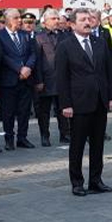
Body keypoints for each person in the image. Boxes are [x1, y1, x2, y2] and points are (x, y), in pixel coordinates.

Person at [56, 8, 112, 196]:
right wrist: (65, 104)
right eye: (82, 20)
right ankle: (77, 182)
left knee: (98, 144)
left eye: (89, 19)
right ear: (72, 24)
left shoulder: (100, 43)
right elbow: (62, 77)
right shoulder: (65, 46)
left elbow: (110, 71)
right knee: (77, 145)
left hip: (99, 100)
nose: (87, 22)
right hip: (78, 102)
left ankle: (96, 180)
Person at [0, 9, 38, 150]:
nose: (19, 20)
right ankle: (9, 138)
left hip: (26, 79)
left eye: (19, 17)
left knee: (24, 111)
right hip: (9, 79)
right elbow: (3, 56)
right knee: (8, 111)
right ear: (6, 19)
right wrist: (19, 69)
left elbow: (33, 53)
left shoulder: (26, 35)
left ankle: (22, 137)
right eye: (15, 18)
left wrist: (28, 68)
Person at [33, 9, 70, 146]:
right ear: (45, 21)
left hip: (62, 79)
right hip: (46, 79)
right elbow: (37, 60)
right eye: (53, 19)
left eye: (57, 18)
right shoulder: (39, 37)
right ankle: (45, 136)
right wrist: (39, 80)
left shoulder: (65, 35)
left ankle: (65, 134)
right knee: (44, 111)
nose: (57, 21)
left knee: (63, 109)